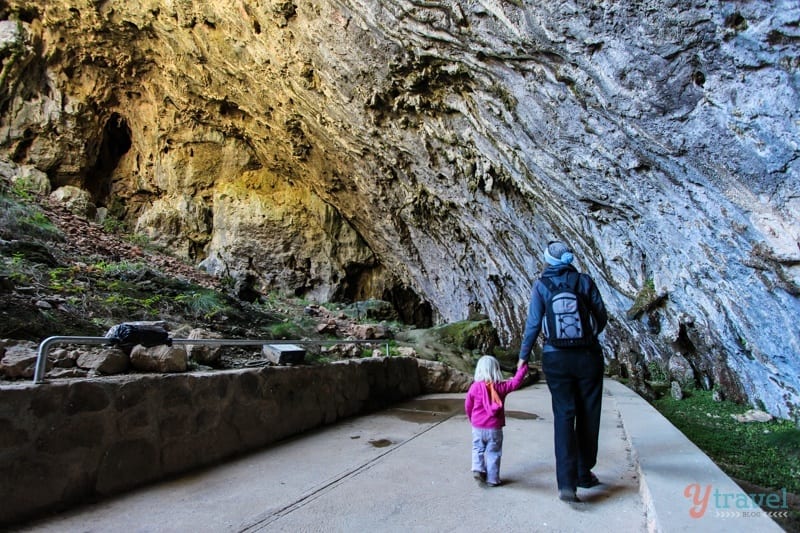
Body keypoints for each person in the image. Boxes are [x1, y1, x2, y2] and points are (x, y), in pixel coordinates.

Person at [517, 240, 608, 503]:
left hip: (555, 358)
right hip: (588, 357)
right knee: (589, 413)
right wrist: (587, 339)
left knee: (564, 415)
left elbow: (533, 325)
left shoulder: (541, 285)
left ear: (548, 260)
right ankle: (584, 471)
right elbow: (601, 317)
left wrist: (524, 357)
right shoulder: (584, 281)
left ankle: (566, 483)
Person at [465, 355, 528, 487]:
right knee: (494, 452)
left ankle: (478, 469)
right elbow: (516, 382)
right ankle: (492, 479)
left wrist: (472, 419)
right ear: (496, 370)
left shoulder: (475, 387)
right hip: (494, 428)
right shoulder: (501, 387)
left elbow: (468, 405)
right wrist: (522, 367)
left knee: (477, 448)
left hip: (478, 426)